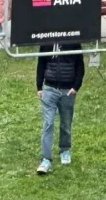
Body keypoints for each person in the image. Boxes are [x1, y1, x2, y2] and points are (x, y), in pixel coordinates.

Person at [34, 44, 84, 175]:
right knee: (48, 123)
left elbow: (80, 66)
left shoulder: (74, 43)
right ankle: (45, 159)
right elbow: (41, 63)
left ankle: (64, 150)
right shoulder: (46, 43)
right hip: (50, 88)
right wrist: (39, 86)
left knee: (66, 123)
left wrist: (76, 87)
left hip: (67, 90)